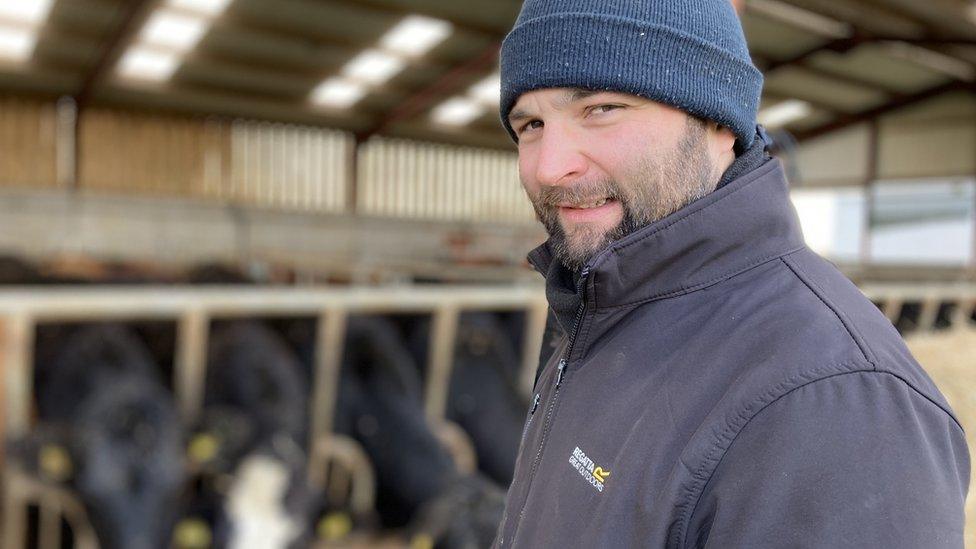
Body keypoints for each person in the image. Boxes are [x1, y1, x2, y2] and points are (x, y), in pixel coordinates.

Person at [492, 1, 970, 547]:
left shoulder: (837, 403)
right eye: (530, 123)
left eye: (602, 108)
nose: (550, 167)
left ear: (719, 119)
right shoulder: (597, 311)